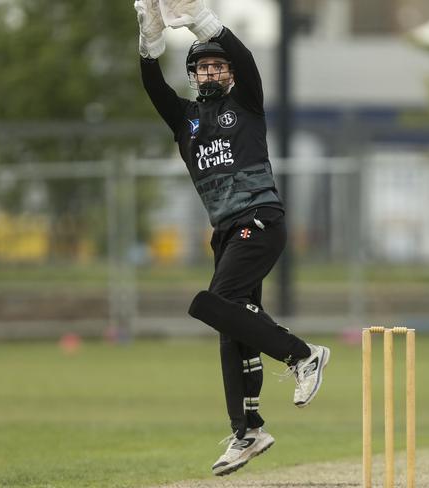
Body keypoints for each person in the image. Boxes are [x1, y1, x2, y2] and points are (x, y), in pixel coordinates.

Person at [134, 0, 330, 475]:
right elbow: (153, 84)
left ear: (231, 74)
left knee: (212, 302)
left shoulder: (247, 103)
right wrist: (149, 43)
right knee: (233, 325)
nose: (211, 72)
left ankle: (304, 355)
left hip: (259, 220)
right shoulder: (185, 122)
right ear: (194, 75)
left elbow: (245, 57)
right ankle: (247, 431)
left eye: (218, 65)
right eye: (202, 67)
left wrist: (203, 20)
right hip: (225, 234)